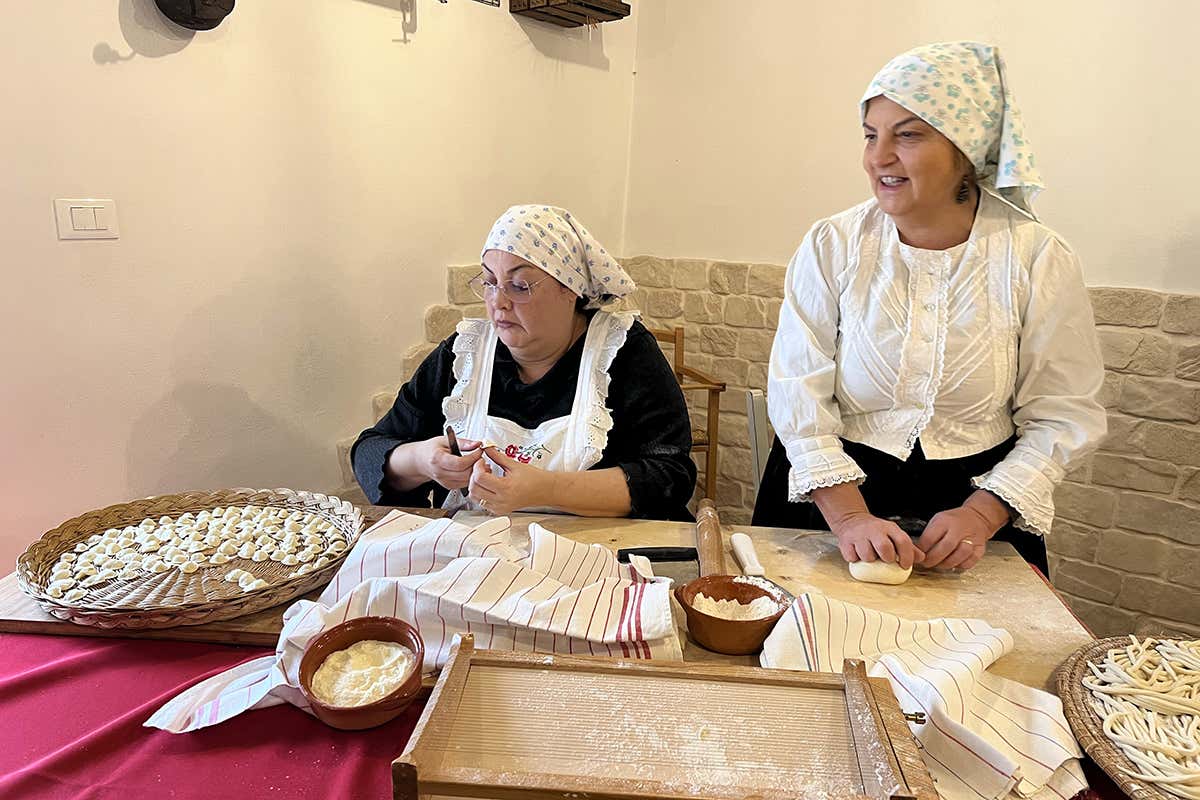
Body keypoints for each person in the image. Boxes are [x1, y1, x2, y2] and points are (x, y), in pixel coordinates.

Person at [752, 42, 1106, 576]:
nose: (879, 157)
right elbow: (798, 389)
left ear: (966, 149)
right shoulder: (833, 244)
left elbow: (1063, 413)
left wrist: (984, 515)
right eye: (871, 135)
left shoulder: (1036, 257)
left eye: (908, 135)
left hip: (974, 511)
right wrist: (849, 518)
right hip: (829, 494)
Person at [352, 204, 697, 520]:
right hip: (473, 562)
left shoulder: (621, 351)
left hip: (592, 562)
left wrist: (546, 489)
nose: (498, 303)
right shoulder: (464, 355)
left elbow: (670, 475)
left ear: (570, 289)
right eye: (489, 282)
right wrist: (422, 461)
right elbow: (370, 450)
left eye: (519, 286)